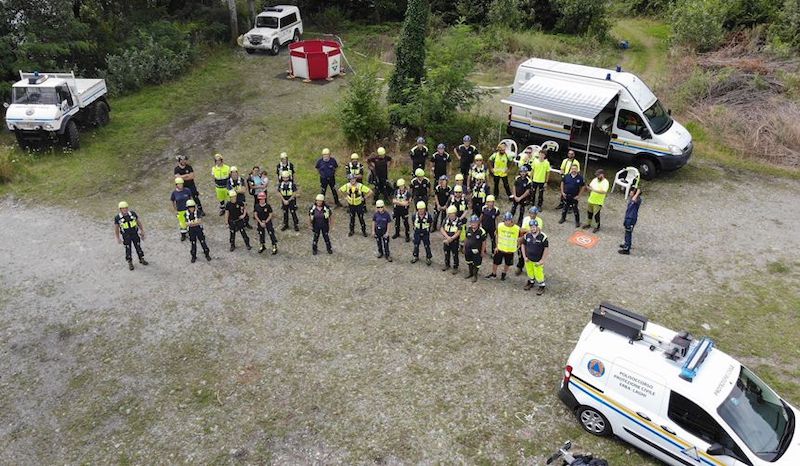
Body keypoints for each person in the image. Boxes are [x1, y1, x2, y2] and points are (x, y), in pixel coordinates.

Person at [113, 201, 148, 270]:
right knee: (128, 249)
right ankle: (130, 262)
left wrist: (142, 231)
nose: (125, 209)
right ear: (120, 209)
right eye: (123, 208)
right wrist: (118, 238)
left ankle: (141, 258)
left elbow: (138, 222)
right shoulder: (118, 218)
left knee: (138, 246)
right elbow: (116, 228)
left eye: (126, 208)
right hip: (126, 236)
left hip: (135, 234)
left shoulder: (132, 214)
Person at [486, 212, 520, 281]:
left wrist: (518, 246)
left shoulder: (517, 228)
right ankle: (494, 274)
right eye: (506, 220)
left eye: (509, 220)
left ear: (511, 220)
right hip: (500, 248)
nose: (507, 222)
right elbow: (497, 235)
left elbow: (522, 236)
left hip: (510, 250)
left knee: (507, 263)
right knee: (495, 262)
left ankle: (504, 274)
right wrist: (496, 246)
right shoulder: (500, 225)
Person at [521, 219, 549, 295]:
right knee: (529, 271)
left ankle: (541, 286)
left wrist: (542, 260)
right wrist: (524, 256)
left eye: (534, 227)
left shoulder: (543, 237)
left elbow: (546, 249)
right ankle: (531, 282)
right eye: (531, 227)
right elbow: (523, 245)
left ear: (537, 227)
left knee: (539, 273)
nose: (532, 229)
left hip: (538, 260)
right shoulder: (527, 235)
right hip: (528, 259)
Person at [516, 206, 544, 276]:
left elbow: (538, 231)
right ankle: (520, 266)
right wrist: (530, 231)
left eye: (534, 214)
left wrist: (528, 230)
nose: (532, 215)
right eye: (531, 213)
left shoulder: (539, 220)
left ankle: (534, 269)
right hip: (526, 237)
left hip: (534, 239)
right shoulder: (526, 219)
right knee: (521, 252)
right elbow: (522, 229)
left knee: (533, 254)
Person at [463, 215, 488, 282]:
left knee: (476, 263)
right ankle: (470, 273)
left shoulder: (481, 231)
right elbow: (466, 238)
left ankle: (475, 275)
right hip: (468, 250)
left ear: (478, 223)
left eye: (475, 222)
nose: (473, 224)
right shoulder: (468, 229)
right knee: (469, 261)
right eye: (472, 222)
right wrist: (464, 247)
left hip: (477, 251)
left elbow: (484, 242)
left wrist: (482, 251)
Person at [619, 187, 642, 255]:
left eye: (631, 192)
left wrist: (637, 192)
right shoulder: (632, 198)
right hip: (628, 217)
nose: (630, 193)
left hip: (631, 219)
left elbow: (634, 199)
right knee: (627, 232)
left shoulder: (637, 200)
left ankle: (627, 249)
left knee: (628, 233)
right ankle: (626, 244)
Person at [440, 205, 461, 273]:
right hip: (447, 240)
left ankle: (455, 266)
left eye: (453, 214)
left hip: (454, 241)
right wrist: (447, 237)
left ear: (455, 213)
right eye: (450, 214)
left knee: (455, 254)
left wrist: (452, 238)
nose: (451, 216)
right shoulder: (446, 220)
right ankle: (447, 264)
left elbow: (459, 231)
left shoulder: (458, 221)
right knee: (446, 252)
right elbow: (442, 229)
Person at [410, 201, 433, 265]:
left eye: (422, 209)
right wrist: (414, 228)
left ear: (425, 209)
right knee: (416, 244)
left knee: (427, 245)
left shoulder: (428, 216)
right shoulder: (415, 215)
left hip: (425, 232)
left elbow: (430, 222)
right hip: (417, 232)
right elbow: (413, 222)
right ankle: (415, 256)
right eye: (419, 209)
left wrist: (428, 229)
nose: (421, 211)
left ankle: (428, 257)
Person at [171, 177, 193, 241]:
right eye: (179, 184)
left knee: (190, 222)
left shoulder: (187, 190)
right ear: (176, 185)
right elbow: (173, 201)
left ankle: (191, 234)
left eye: (181, 184)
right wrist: (175, 210)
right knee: (182, 224)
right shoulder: (174, 193)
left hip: (188, 210)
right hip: (180, 211)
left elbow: (190, 198)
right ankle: (183, 235)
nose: (181, 185)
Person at [391, 178, 411, 242]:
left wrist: (398, 202)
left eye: (402, 186)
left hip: (404, 210)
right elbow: (393, 200)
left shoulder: (408, 193)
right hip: (397, 209)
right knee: (397, 222)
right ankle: (397, 233)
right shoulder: (396, 191)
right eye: (399, 186)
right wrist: (401, 203)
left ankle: (407, 236)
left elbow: (407, 203)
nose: (401, 187)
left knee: (405, 223)